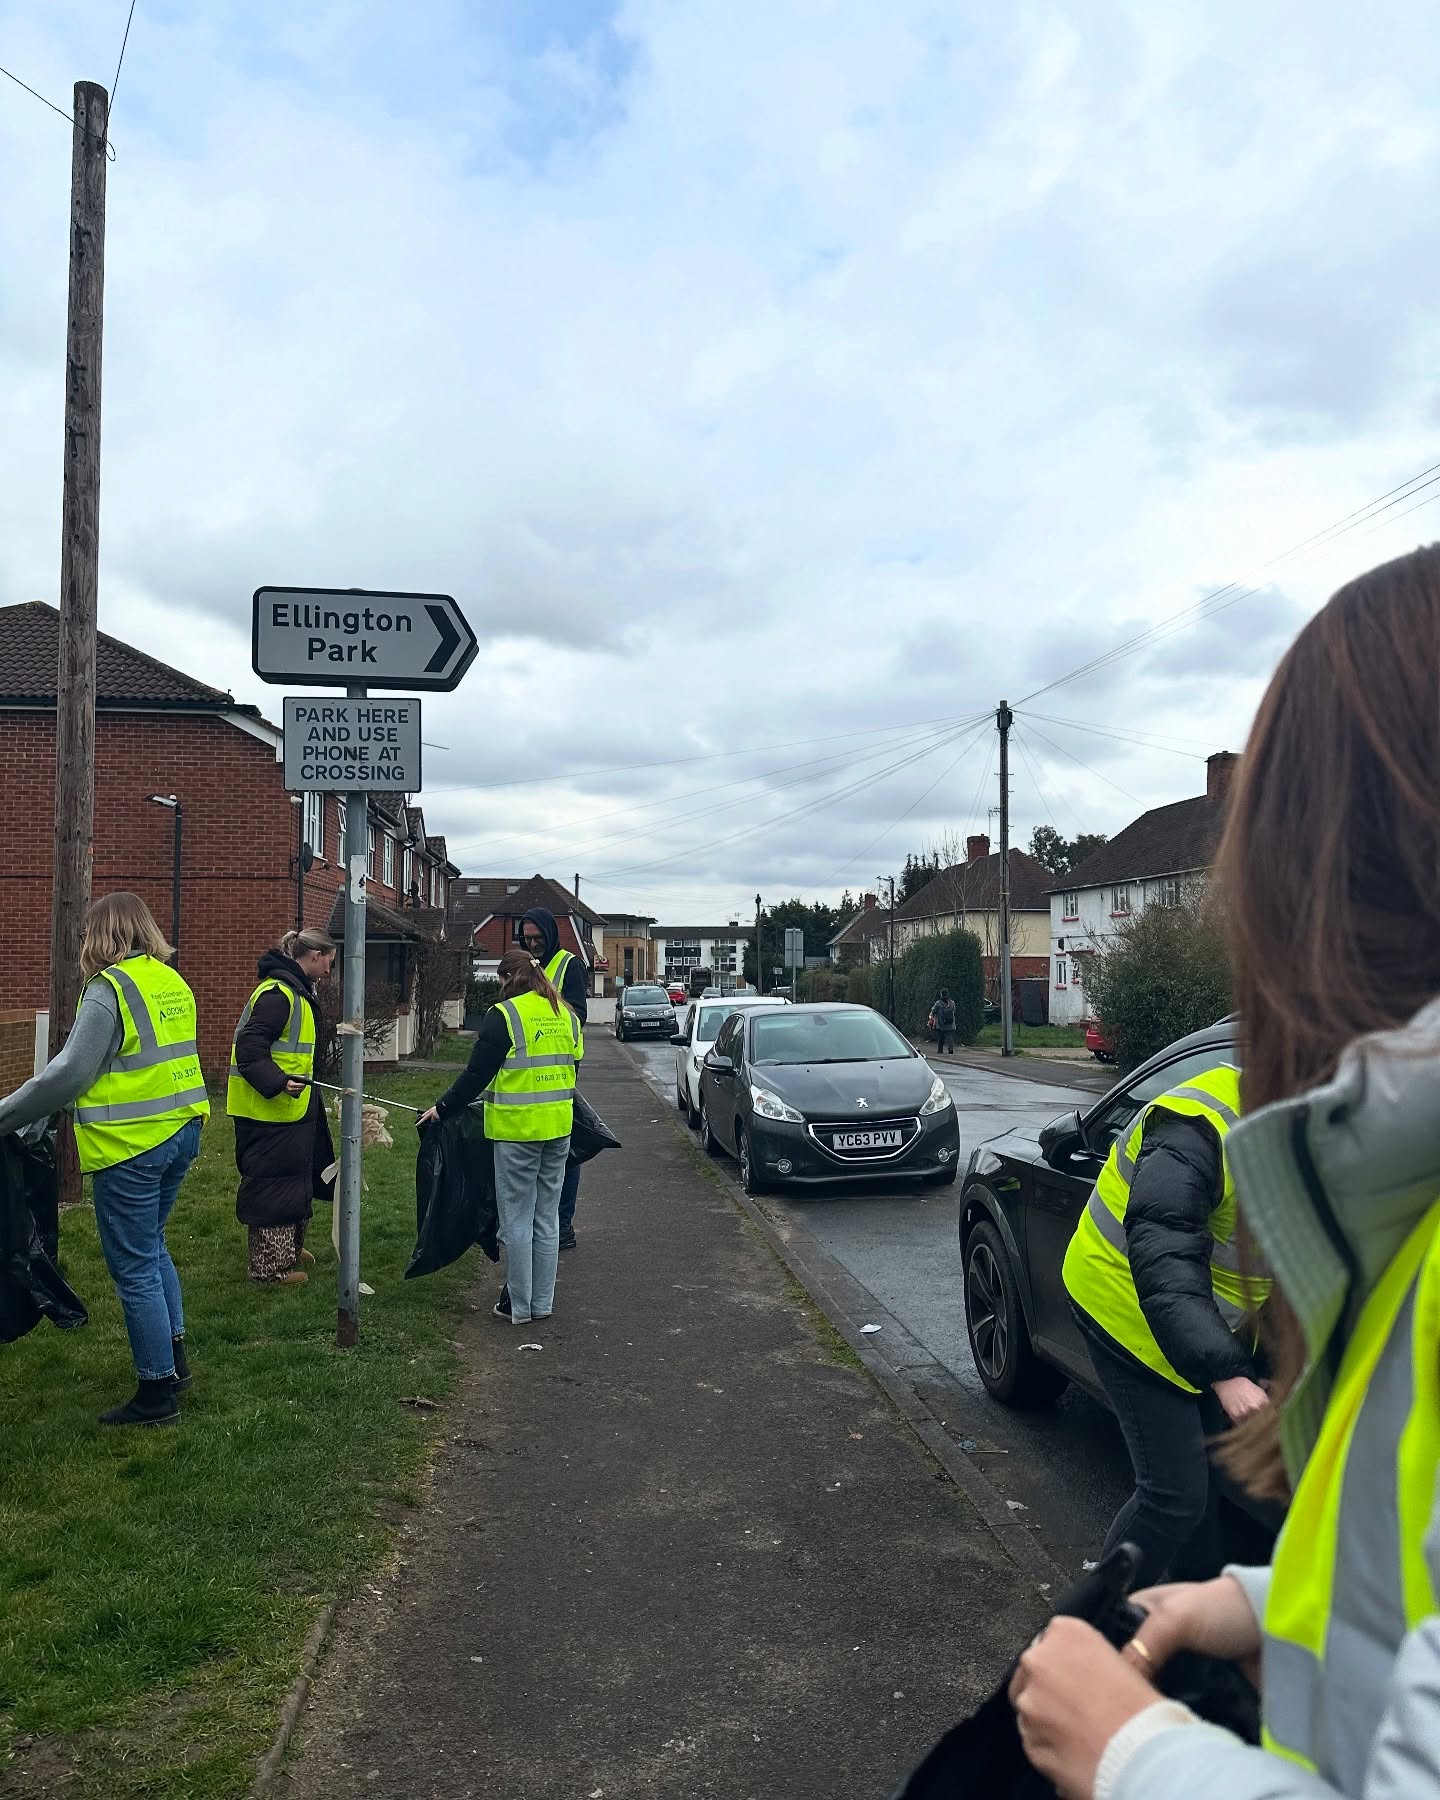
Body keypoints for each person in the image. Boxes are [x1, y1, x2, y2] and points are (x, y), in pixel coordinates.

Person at [1010, 543, 1440, 1798]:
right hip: (1135, 1313)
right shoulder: (1226, 1111)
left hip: (1177, 1318)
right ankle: (1124, 1602)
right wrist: (1280, 1606)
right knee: (1173, 1495)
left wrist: (1133, 1757)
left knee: (1186, 1502)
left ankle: (1119, 1632)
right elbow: (1160, 1247)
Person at [0, 892, 209, 1426]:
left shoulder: (108, 988)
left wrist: (6, 1113)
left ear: (102, 935)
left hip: (131, 1146)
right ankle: (176, 1362)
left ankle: (157, 1392)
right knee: (154, 1246)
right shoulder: (170, 979)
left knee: (133, 1265)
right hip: (181, 1130)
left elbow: (70, 1072)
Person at [1060, 1065, 1271, 1589]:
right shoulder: (1201, 1122)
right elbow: (1163, 1248)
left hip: (1197, 1328)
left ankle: (1189, 1637)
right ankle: (1093, 1637)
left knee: (1212, 1480)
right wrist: (1228, 1374)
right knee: (1173, 1495)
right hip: (1123, 1302)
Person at [419, 947, 581, 1326]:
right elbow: (573, 1068)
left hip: (516, 1130)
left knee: (518, 1221)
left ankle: (520, 1308)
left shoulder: (504, 1016)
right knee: (547, 1218)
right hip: (559, 1128)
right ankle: (542, 1303)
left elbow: (476, 1076)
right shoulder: (566, 1015)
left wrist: (441, 1109)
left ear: (508, 978)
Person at [227, 927, 337, 1285]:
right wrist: (277, 1082)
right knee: (273, 1185)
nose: (329, 971)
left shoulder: (295, 990)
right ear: (315, 955)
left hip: (292, 1107)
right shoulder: (279, 994)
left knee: (298, 1177)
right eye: (329, 962)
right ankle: (269, 1268)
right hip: (268, 1109)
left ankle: (288, 1247)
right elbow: (250, 1047)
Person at [518, 906, 589, 1250]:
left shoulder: (568, 964)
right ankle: (535, 1224)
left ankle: (562, 1225)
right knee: (531, 1146)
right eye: (527, 938)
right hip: (522, 1069)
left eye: (538, 938)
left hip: (561, 1067)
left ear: (550, 933)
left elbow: (578, 1015)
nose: (533, 944)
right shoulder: (523, 964)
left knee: (565, 1149)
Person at [929, 988, 957, 1055]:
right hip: (951, 1024)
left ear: (941, 995)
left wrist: (931, 1017)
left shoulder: (938, 1003)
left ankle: (940, 1051)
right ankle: (950, 1051)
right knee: (950, 1039)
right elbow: (954, 1011)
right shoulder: (952, 1003)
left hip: (941, 1024)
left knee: (941, 1038)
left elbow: (933, 1011)